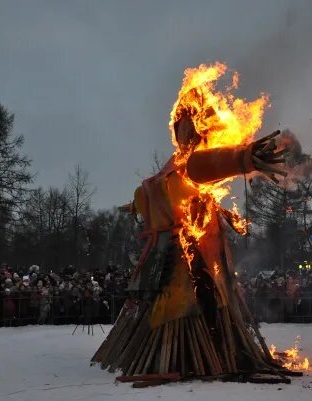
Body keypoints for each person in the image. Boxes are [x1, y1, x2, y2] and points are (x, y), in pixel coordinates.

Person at [92, 71, 286, 376]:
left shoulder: (191, 163)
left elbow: (217, 162)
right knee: (175, 303)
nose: (186, 129)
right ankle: (186, 355)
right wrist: (135, 204)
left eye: (189, 122)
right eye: (182, 123)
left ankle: (216, 353)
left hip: (195, 254)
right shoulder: (171, 168)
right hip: (165, 260)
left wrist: (246, 157)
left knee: (201, 300)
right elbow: (147, 195)